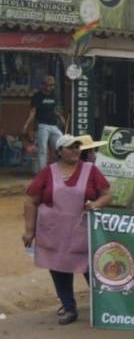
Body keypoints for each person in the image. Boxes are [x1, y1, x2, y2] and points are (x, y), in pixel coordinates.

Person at [23, 135, 111, 324]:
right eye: (70, 147)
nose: (75, 151)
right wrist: (29, 230)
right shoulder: (48, 172)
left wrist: (96, 204)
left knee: (91, 268)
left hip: (82, 231)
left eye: (77, 147)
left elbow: (106, 194)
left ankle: (105, 307)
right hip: (53, 232)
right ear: (59, 151)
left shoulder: (90, 170)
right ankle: (69, 308)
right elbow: (31, 201)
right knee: (59, 268)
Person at [25, 75, 65, 172]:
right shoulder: (37, 96)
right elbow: (33, 112)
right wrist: (26, 124)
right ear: (43, 85)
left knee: (62, 146)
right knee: (42, 150)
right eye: (48, 85)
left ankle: (60, 171)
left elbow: (53, 110)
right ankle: (42, 173)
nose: (50, 87)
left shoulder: (54, 96)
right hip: (42, 125)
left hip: (54, 125)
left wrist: (60, 117)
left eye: (52, 85)